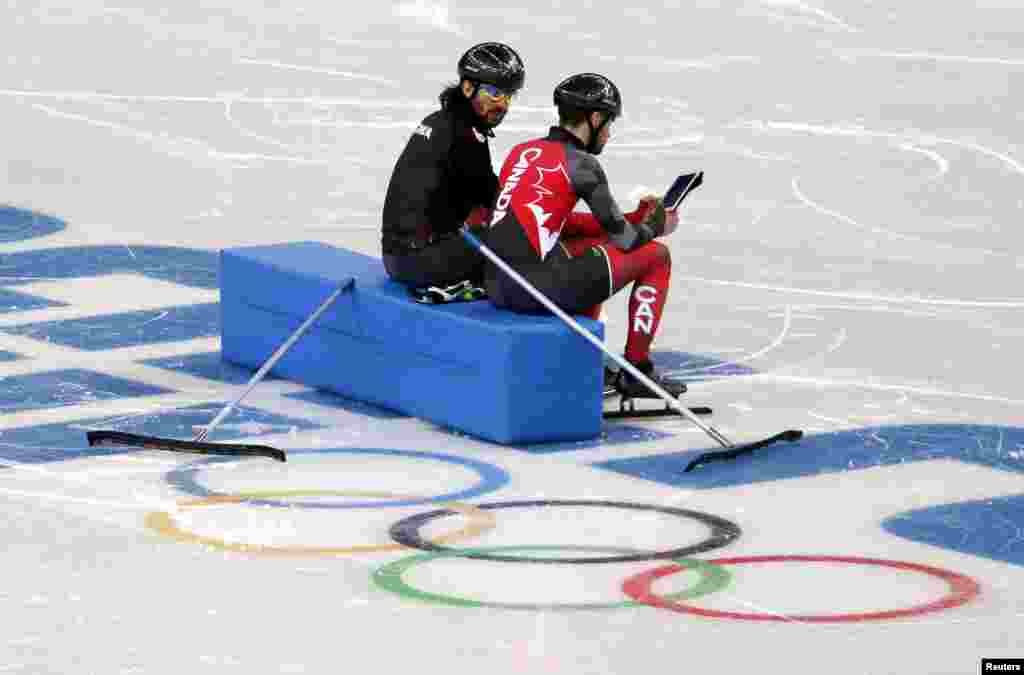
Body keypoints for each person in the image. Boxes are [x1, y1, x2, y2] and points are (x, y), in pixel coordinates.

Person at [483, 72, 686, 399]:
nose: (608, 133)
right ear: (593, 118)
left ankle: (583, 358)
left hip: (498, 284)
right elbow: (626, 242)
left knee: (589, 250)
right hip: (535, 291)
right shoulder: (582, 164)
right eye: (608, 123)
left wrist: (634, 218)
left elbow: (553, 224)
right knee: (656, 257)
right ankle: (638, 371)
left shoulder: (522, 152)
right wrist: (657, 226)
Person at [381, 42, 525, 291]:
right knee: (517, 242)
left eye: (509, 95)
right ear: (468, 87)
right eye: (493, 93)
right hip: (419, 264)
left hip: (397, 256)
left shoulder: (439, 121)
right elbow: (498, 203)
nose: (503, 104)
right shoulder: (465, 136)